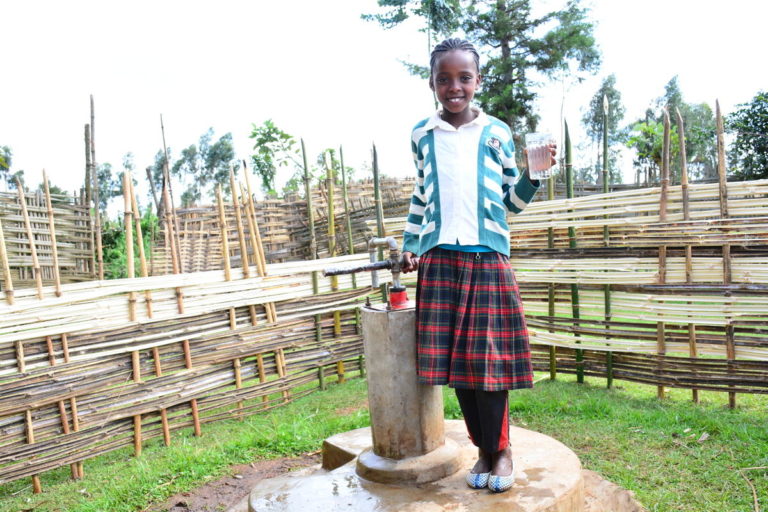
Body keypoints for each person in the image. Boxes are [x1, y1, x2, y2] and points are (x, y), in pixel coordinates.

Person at [401, 37, 555, 493]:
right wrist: (413, 243)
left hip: (487, 258)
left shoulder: (496, 132)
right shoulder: (421, 135)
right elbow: (421, 196)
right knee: (459, 368)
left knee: (490, 365)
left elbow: (512, 203)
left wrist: (534, 174)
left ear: (477, 81)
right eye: (444, 79)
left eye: (463, 78)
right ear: (432, 83)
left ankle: (501, 450)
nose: (454, 87)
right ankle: (482, 450)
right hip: (439, 261)